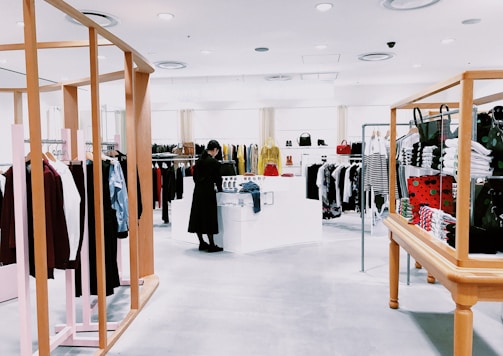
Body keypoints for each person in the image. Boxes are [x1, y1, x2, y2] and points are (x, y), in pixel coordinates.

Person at [188, 140, 224, 252]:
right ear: (215, 150)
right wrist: (220, 189)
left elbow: (194, 177)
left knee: (198, 217)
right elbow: (218, 179)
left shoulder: (199, 161)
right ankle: (212, 244)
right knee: (209, 217)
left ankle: (202, 242)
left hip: (198, 191)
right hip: (208, 192)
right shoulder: (213, 162)